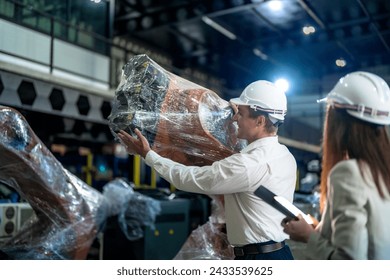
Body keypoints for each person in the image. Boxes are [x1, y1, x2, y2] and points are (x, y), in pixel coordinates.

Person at [118, 80, 297, 260]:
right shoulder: (284, 156)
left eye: (241, 114)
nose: (235, 118)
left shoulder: (248, 164)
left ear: (260, 120)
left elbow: (190, 179)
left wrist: (149, 155)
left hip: (258, 259)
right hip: (279, 253)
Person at [281, 71, 390, 260]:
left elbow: (348, 261)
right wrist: (321, 229)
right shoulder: (382, 171)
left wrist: (309, 236)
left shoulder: (350, 173)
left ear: (339, 123)